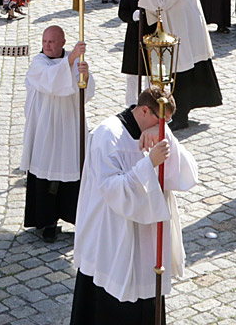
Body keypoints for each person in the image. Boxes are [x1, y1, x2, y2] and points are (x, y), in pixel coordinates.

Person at [69, 88, 199, 324]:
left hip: (146, 239)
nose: (164, 127)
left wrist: (166, 139)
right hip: (112, 232)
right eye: (162, 121)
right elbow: (112, 189)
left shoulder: (156, 131)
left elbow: (186, 174)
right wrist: (149, 164)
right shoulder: (107, 135)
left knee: (146, 296)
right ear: (144, 110)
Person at [138, 0, 222, 130]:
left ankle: (181, 117)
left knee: (182, 73)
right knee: (180, 73)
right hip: (176, 30)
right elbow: (156, 9)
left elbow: (161, 4)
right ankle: (180, 114)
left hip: (187, 33)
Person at [21, 25, 88, 242]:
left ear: (62, 42)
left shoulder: (74, 59)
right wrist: (71, 63)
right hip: (46, 128)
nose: (47, 46)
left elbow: (85, 91)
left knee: (72, 169)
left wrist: (84, 77)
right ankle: (46, 222)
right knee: (46, 173)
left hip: (69, 124)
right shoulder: (38, 63)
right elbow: (50, 80)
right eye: (44, 42)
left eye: (51, 42)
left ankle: (76, 217)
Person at [117, 0, 155, 105]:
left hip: (151, 35)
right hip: (134, 36)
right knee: (132, 74)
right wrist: (132, 16)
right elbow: (122, 12)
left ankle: (150, 102)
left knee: (151, 73)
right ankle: (131, 104)